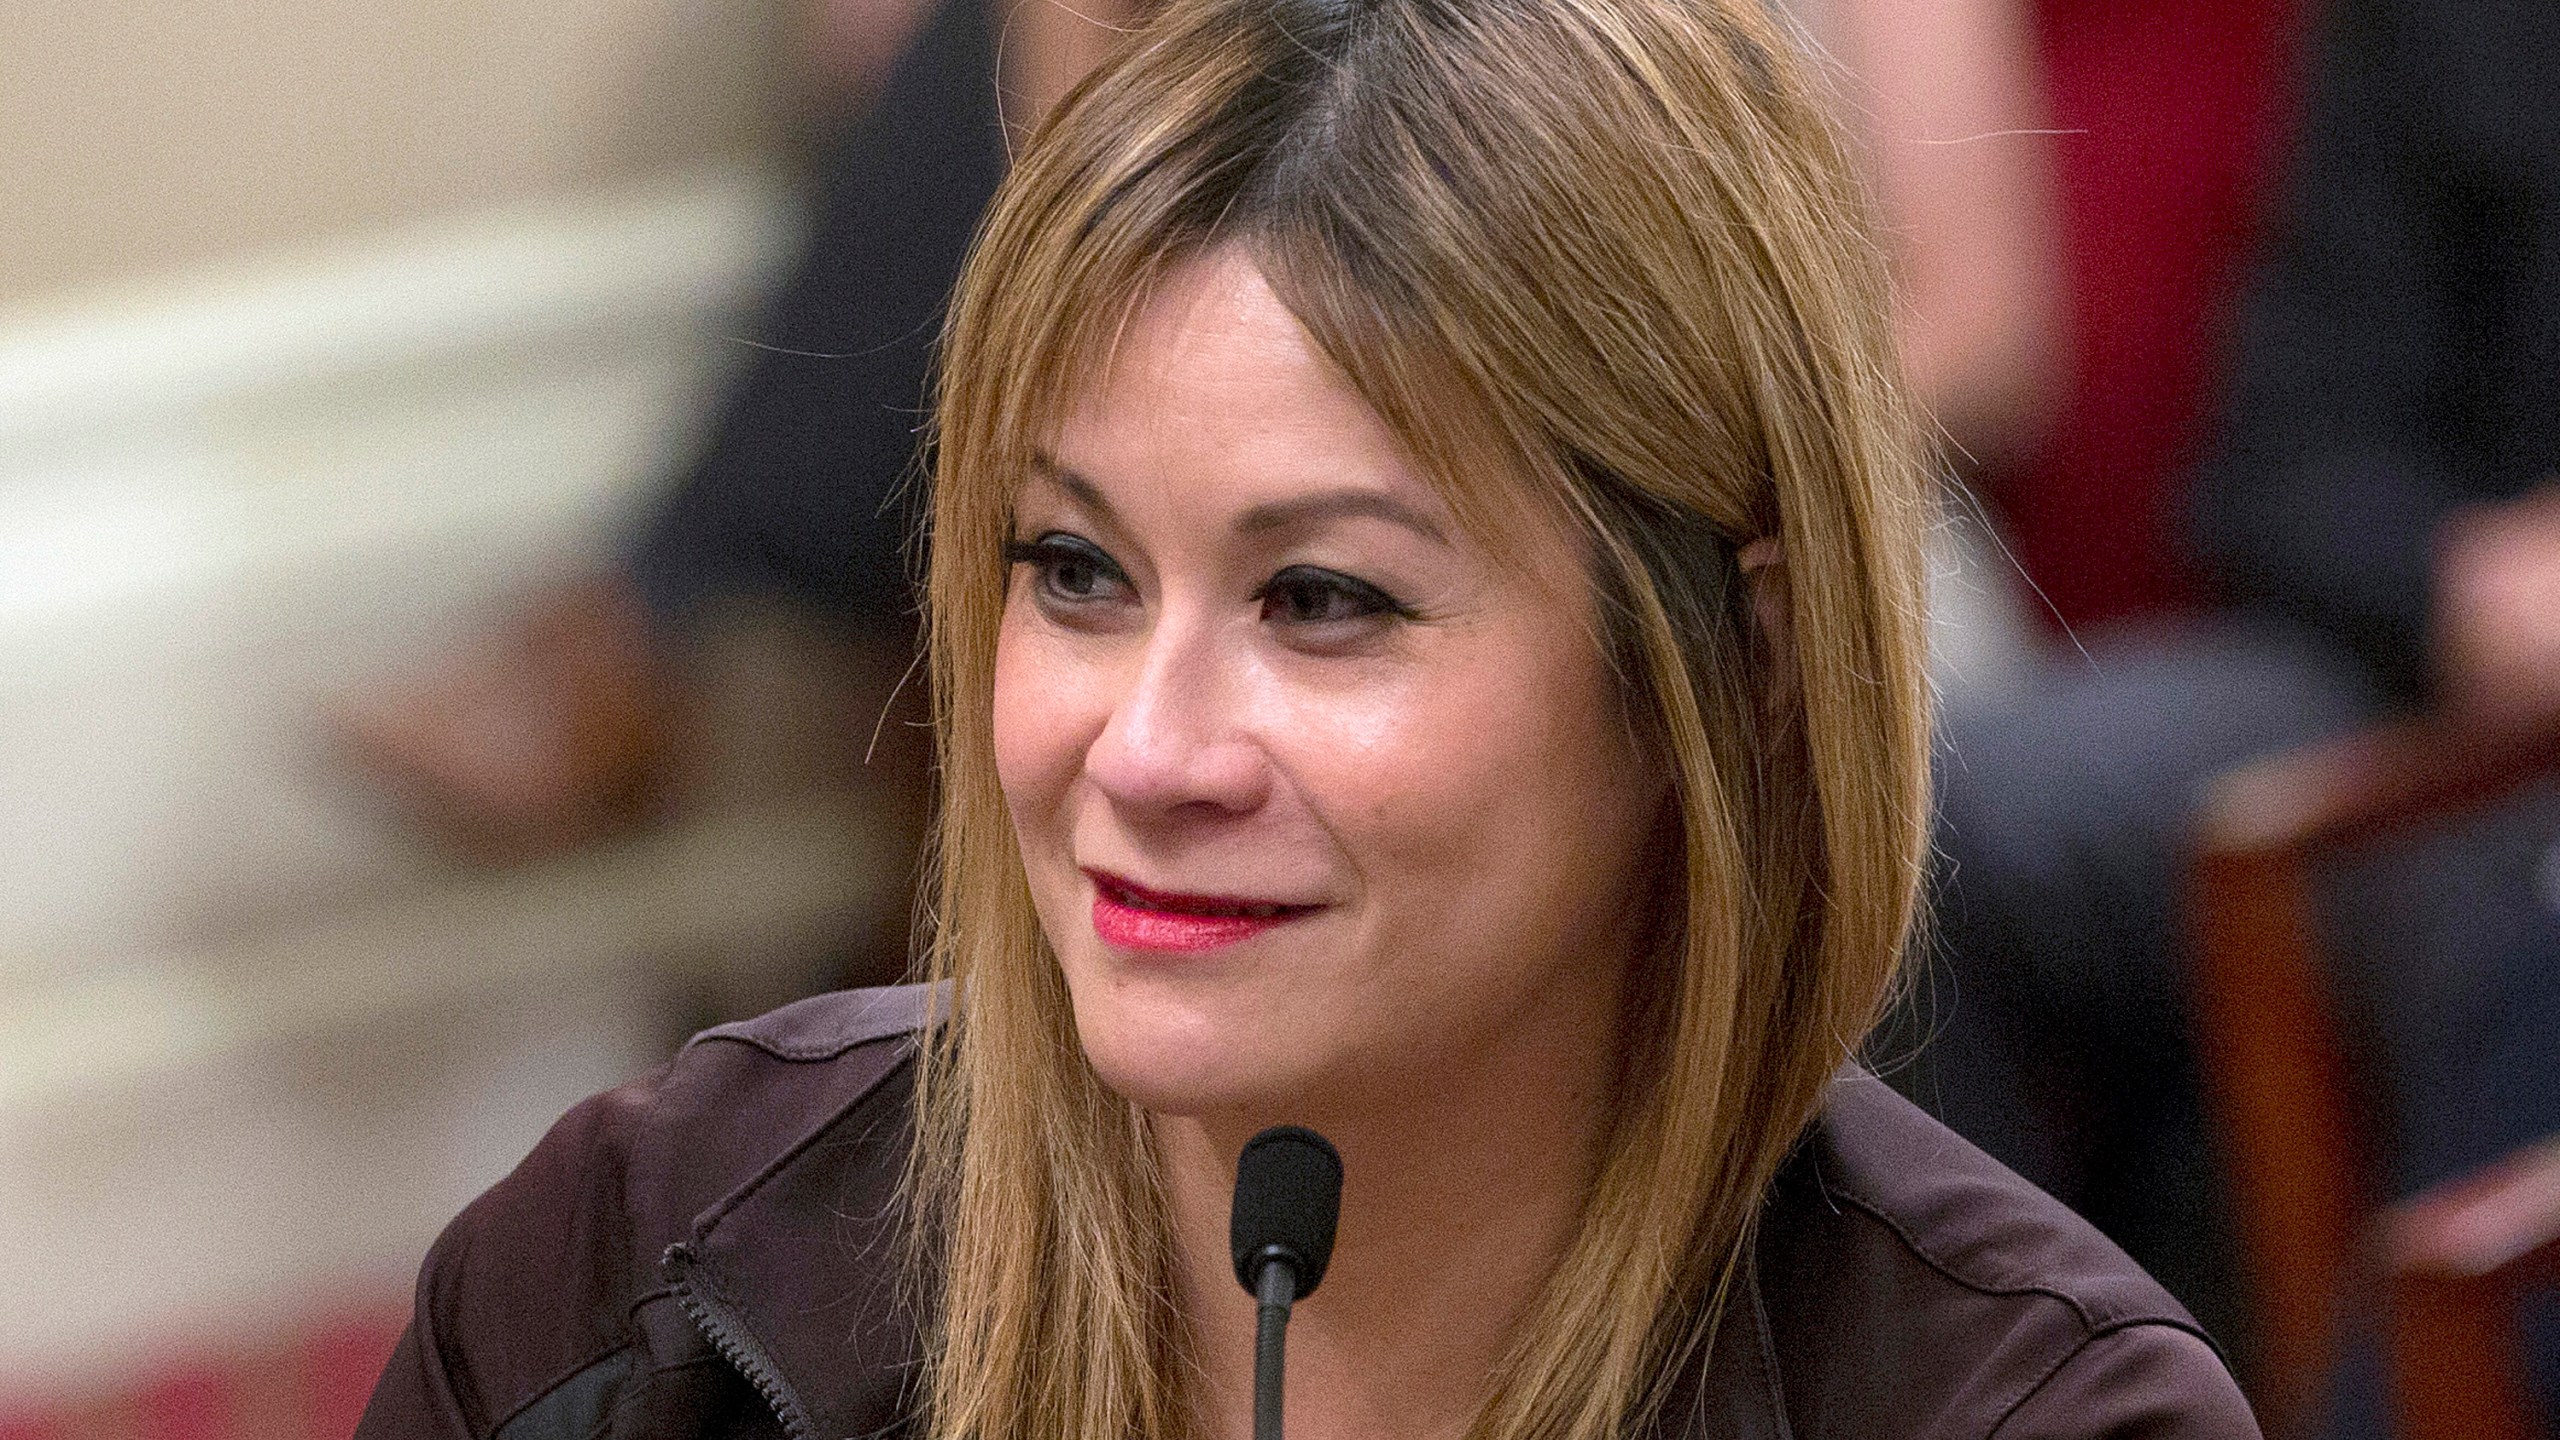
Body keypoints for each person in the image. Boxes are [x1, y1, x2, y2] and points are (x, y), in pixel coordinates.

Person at [354, 0, 2257, 1436]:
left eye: (1324, 601)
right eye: (1073, 571)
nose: (1146, 753)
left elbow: (1989, 331)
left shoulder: (2041, 1411)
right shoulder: (636, 1274)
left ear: (1739, 669)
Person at [1906, 0, 2560, 1386]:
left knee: (2510, 935)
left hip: (2509, 823)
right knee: (1939, 823)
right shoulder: (2453, 32)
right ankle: (2027, 1400)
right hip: (2401, 672)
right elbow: (2276, 465)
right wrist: (2468, 579)